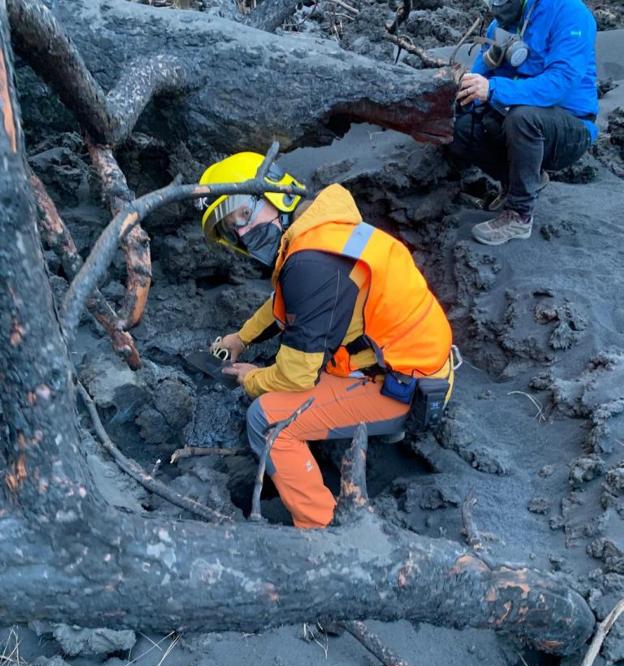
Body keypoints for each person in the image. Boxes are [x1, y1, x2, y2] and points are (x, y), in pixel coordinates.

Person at [197, 152, 455, 528]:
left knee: (267, 420)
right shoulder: (324, 229)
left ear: (276, 194)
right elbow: (283, 304)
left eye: (242, 213)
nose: (241, 232)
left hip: (406, 389)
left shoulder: (310, 265)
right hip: (419, 363)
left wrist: (251, 378)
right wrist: (241, 337)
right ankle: (376, 431)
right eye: (228, 228)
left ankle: (321, 530)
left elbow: (296, 376)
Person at [450, 0, 598, 245]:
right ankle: (520, 182)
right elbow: (479, 80)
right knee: (462, 126)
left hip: (571, 126)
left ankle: (519, 216)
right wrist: (458, 95)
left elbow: (559, 82)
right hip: (518, 119)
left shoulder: (570, 12)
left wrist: (494, 88)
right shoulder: (500, 25)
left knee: (524, 117)